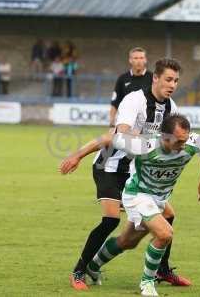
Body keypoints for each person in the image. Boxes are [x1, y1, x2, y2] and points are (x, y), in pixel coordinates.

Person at [59, 58, 191, 290]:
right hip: (110, 166)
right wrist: (77, 155)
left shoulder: (171, 108)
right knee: (110, 219)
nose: (172, 85)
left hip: (137, 172)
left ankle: (161, 269)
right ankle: (78, 270)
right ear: (156, 78)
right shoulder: (134, 101)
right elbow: (116, 135)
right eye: (168, 79)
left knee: (165, 216)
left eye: (176, 81)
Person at [86, 114, 200, 297]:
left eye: (185, 140)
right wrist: (76, 156)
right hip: (137, 195)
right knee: (164, 233)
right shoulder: (144, 145)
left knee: (127, 242)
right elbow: (108, 138)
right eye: (178, 141)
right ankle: (147, 283)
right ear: (164, 137)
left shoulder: (192, 142)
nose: (183, 145)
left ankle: (93, 266)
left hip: (158, 200)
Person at [110, 47, 153, 126]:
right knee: (108, 138)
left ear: (145, 60)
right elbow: (115, 103)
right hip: (126, 120)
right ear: (130, 60)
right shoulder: (123, 79)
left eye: (141, 58)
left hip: (147, 122)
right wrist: (112, 123)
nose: (139, 61)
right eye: (136, 58)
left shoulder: (153, 78)